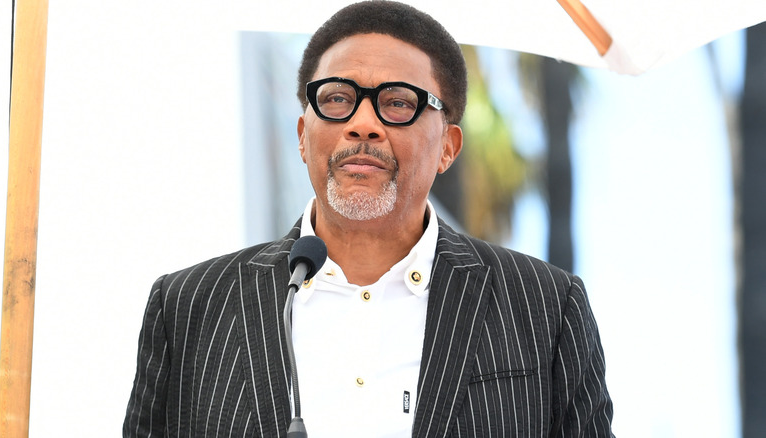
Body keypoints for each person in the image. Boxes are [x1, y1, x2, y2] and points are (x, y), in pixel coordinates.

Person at [123, 1, 614, 436]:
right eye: (336, 99)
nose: (362, 123)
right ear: (302, 133)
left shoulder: (545, 307)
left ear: (448, 147)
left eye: (397, 103)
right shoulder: (187, 307)